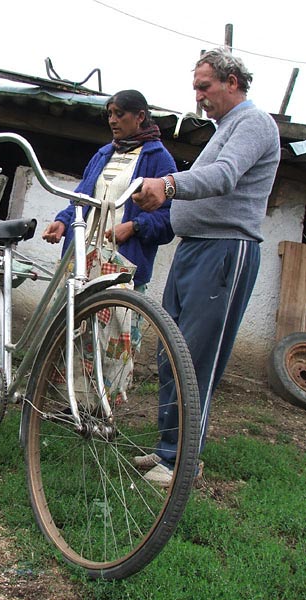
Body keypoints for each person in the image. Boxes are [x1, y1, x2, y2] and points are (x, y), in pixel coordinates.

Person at [132, 47, 281, 486]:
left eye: (204, 86)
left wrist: (170, 183)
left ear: (231, 81)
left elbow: (224, 176)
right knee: (170, 351)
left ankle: (182, 463)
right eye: (195, 88)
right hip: (195, 248)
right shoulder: (225, 127)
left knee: (196, 358)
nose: (198, 97)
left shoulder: (253, 123)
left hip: (224, 251)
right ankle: (166, 450)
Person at [42, 89, 177, 292]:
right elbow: (80, 200)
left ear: (140, 116)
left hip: (121, 263)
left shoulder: (158, 158)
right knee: (71, 321)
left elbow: (169, 218)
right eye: (110, 114)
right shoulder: (103, 155)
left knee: (114, 321)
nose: (113, 120)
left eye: (119, 114)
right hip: (81, 258)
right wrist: (63, 222)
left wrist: (134, 226)